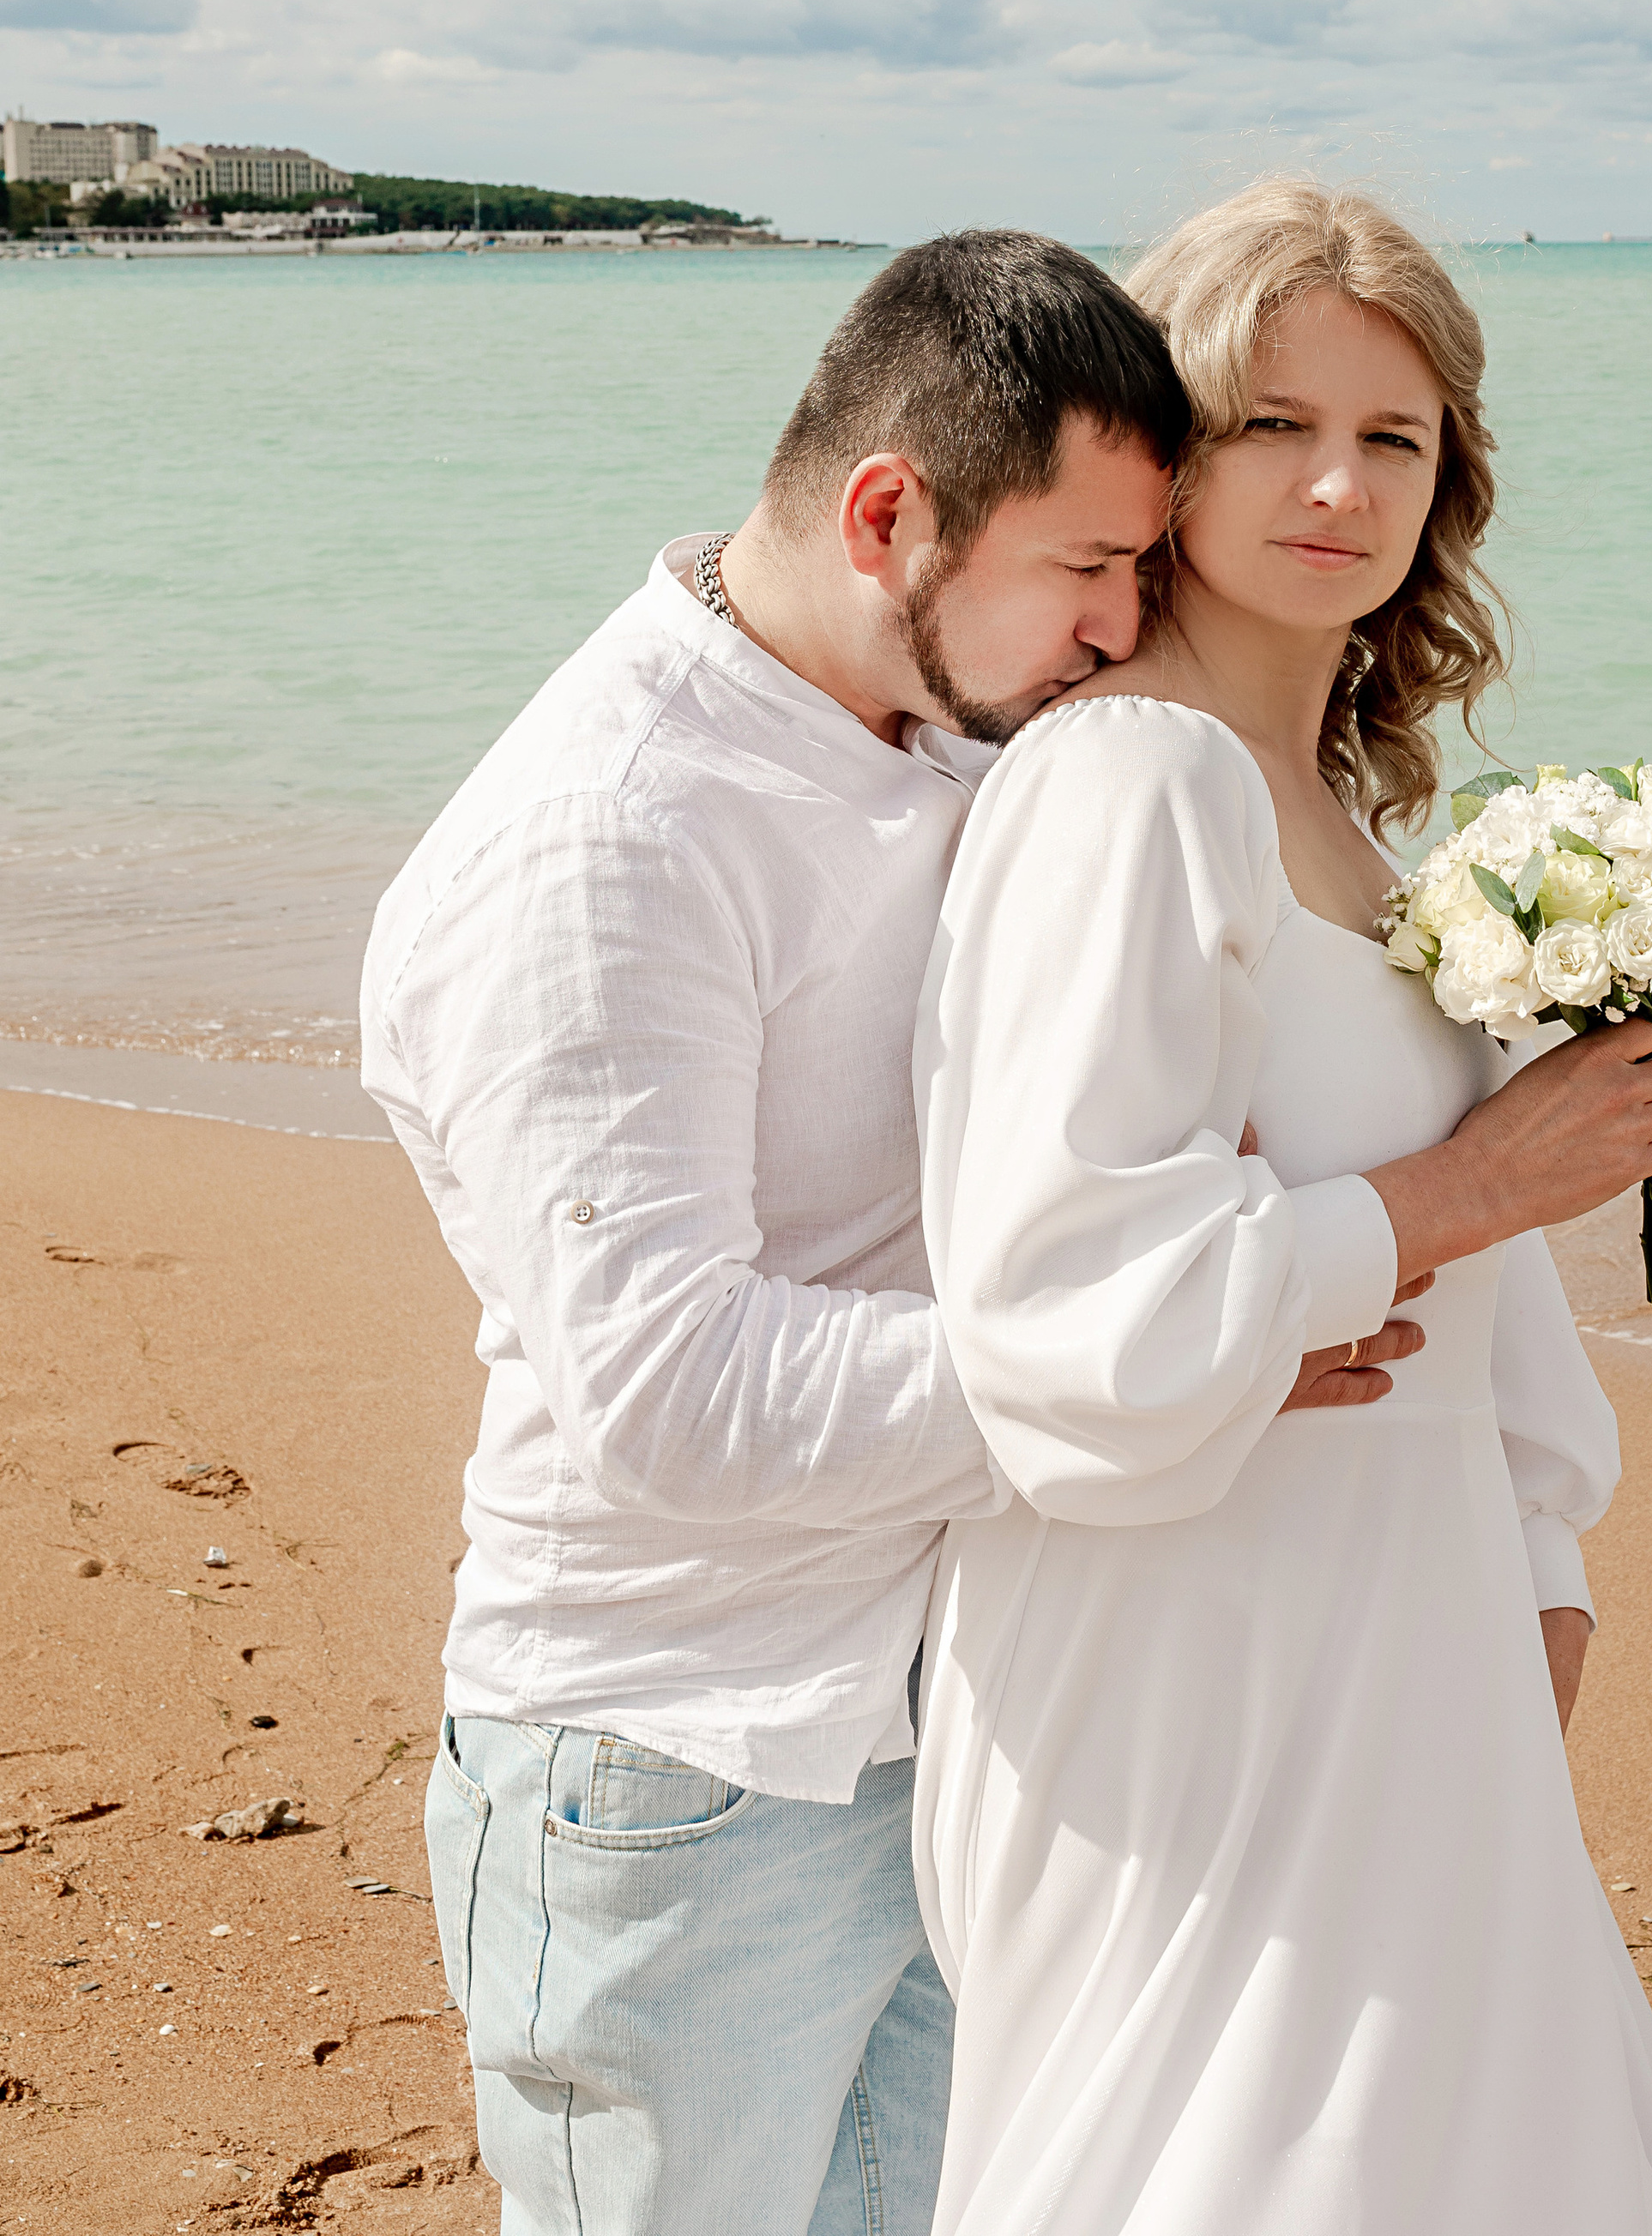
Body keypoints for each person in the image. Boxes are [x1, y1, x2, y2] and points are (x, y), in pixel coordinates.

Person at [362, 233, 1426, 2236]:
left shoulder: (938, 718)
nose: (1121, 624)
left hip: (949, 1707)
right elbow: (677, 1396)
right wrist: (1168, 1354)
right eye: (1086, 566)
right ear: (885, 517)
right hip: (682, 1760)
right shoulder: (606, 842)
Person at [912, 179, 1652, 2233]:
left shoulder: (1361, 832)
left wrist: (1535, 1546)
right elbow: (1061, 1310)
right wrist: (1470, 1179)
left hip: (1411, 1636)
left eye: (1392, 437)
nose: (1335, 486)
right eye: (1271, 424)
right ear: (1163, 458)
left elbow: (1470, 1286)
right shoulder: (1132, 785)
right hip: (1192, 1660)